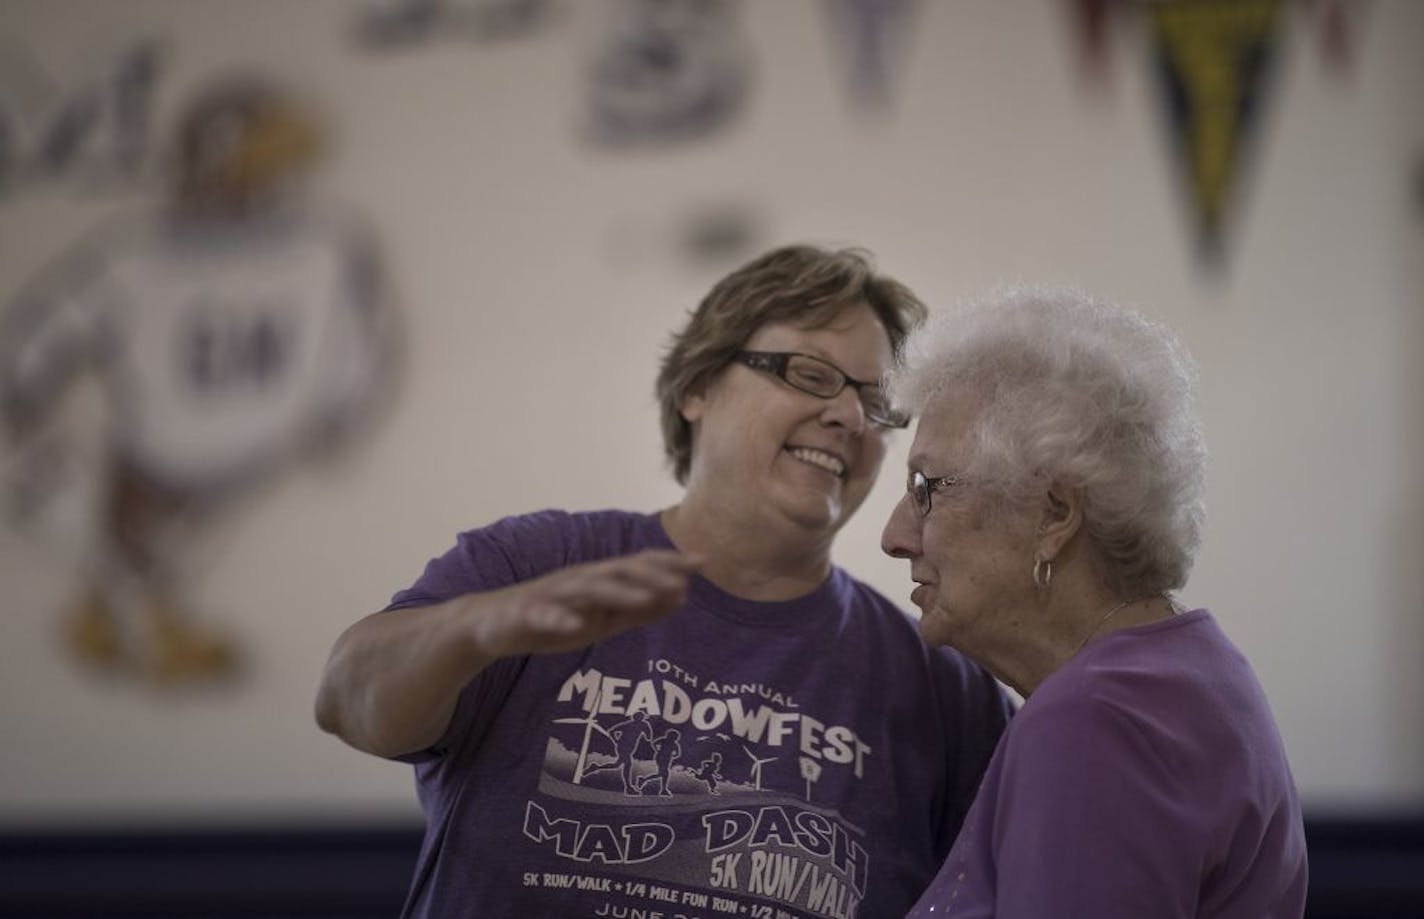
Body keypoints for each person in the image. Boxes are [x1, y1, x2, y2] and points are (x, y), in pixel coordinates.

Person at [315, 244, 1012, 917]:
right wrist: (474, 628)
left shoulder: (938, 680)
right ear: (696, 388)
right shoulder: (537, 564)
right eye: (808, 373)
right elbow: (347, 699)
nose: (849, 416)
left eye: (876, 401)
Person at [880, 286, 1308, 917]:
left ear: (1054, 513)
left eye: (928, 488)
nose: (895, 536)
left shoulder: (1095, 721)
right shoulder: (1190, 675)